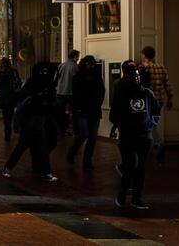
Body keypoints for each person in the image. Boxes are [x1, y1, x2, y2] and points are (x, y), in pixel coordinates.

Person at [109, 61, 161, 209]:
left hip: (144, 135)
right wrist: (121, 125)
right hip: (128, 135)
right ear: (126, 76)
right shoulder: (120, 92)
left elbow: (156, 110)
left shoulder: (146, 93)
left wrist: (150, 123)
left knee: (141, 168)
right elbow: (114, 114)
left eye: (137, 75)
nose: (135, 78)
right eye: (132, 76)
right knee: (131, 165)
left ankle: (136, 198)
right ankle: (123, 194)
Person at [3, 61, 61, 182]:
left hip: (41, 119)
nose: (44, 73)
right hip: (30, 119)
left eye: (46, 71)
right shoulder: (32, 83)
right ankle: (9, 167)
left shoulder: (49, 84)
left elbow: (51, 101)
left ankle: (46, 171)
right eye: (42, 71)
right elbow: (23, 99)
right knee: (23, 145)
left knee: (40, 146)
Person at [67, 55, 105, 169]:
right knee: (84, 134)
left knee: (92, 137)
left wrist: (98, 102)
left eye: (93, 64)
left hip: (94, 109)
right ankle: (73, 151)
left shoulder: (97, 77)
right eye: (89, 64)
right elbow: (75, 94)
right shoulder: (78, 77)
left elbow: (102, 91)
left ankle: (87, 161)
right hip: (83, 110)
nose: (91, 66)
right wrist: (77, 108)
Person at [139, 46, 173, 162]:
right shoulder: (161, 67)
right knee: (152, 124)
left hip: (148, 100)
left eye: (142, 54)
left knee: (149, 126)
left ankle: (158, 143)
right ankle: (151, 150)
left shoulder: (143, 68)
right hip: (160, 100)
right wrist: (170, 99)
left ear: (144, 55)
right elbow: (167, 85)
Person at [0, 57, 20, 142]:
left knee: (5, 116)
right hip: (11, 95)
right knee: (10, 114)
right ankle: (9, 130)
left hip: (3, 96)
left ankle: (7, 133)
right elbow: (18, 82)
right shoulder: (13, 71)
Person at [55, 49, 80, 122]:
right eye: (78, 56)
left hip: (60, 92)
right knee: (74, 113)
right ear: (75, 57)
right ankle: (74, 130)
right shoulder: (75, 67)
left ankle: (62, 130)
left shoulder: (60, 65)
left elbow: (55, 79)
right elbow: (78, 81)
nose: (78, 58)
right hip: (71, 92)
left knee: (61, 113)